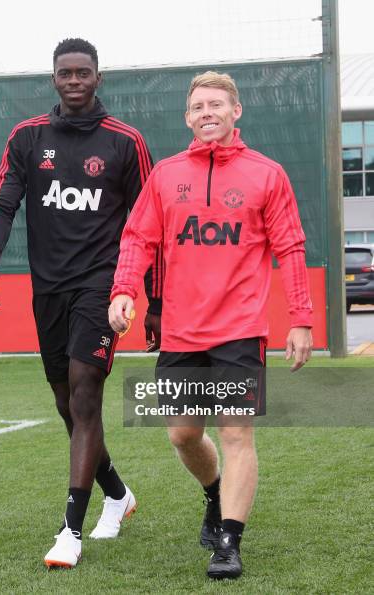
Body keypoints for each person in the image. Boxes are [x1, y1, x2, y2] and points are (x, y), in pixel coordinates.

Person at [109, 71, 313, 580]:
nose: (207, 113)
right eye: (198, 106)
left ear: (235, 111)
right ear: (187, 117)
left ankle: (229, 541)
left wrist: (301, 320)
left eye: (216, 104)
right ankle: (214, 493)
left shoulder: (267, 174)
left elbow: (290, 248)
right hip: (181, 331)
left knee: (236, 432)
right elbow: (138, 239)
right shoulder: (166, 175)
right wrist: (123, 290)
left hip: (240, 330)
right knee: (182, 434)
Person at [0, 38, 161, 568]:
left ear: (99, 78)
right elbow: (3, 200)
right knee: (66, 402)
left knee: (84, 396)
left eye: (84, 72)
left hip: (102, 288)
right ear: (54, 78)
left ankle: (70, 531)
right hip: (47, 288)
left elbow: (151, 227)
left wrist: (156, 302)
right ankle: (119, 496)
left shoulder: (125, 143)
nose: (74, 80)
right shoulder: (29, 137)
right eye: (65, 73)